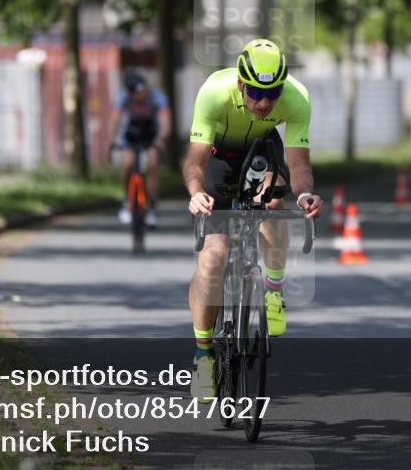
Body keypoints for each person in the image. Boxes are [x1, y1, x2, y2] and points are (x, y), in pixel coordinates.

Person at [184, 39, 323, 400]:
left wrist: (305, 194)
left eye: (273, 93)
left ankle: (273, 290)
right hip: (219, 159)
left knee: (275, 201)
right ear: (242, 84)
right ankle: (203, 355)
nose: (264, 103)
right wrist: (197, 192)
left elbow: (299, 167)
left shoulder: (296, 98)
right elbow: (194, 162)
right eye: (257, 93)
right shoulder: (214, 92)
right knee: (213, 257)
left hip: (263, 151)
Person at [110, 70, 170, 227]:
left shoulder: (158, 97)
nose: (142, 94)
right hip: (130, 135)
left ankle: (152, 208)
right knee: (128, 163)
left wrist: (160, 139)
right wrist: (112, 140)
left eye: (144, 90)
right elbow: (115, 119)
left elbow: (165, 122)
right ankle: (125, 201)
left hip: (151, 135)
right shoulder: (122, 98)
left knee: (152, 163)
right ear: (130, 93)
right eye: (137, 93)